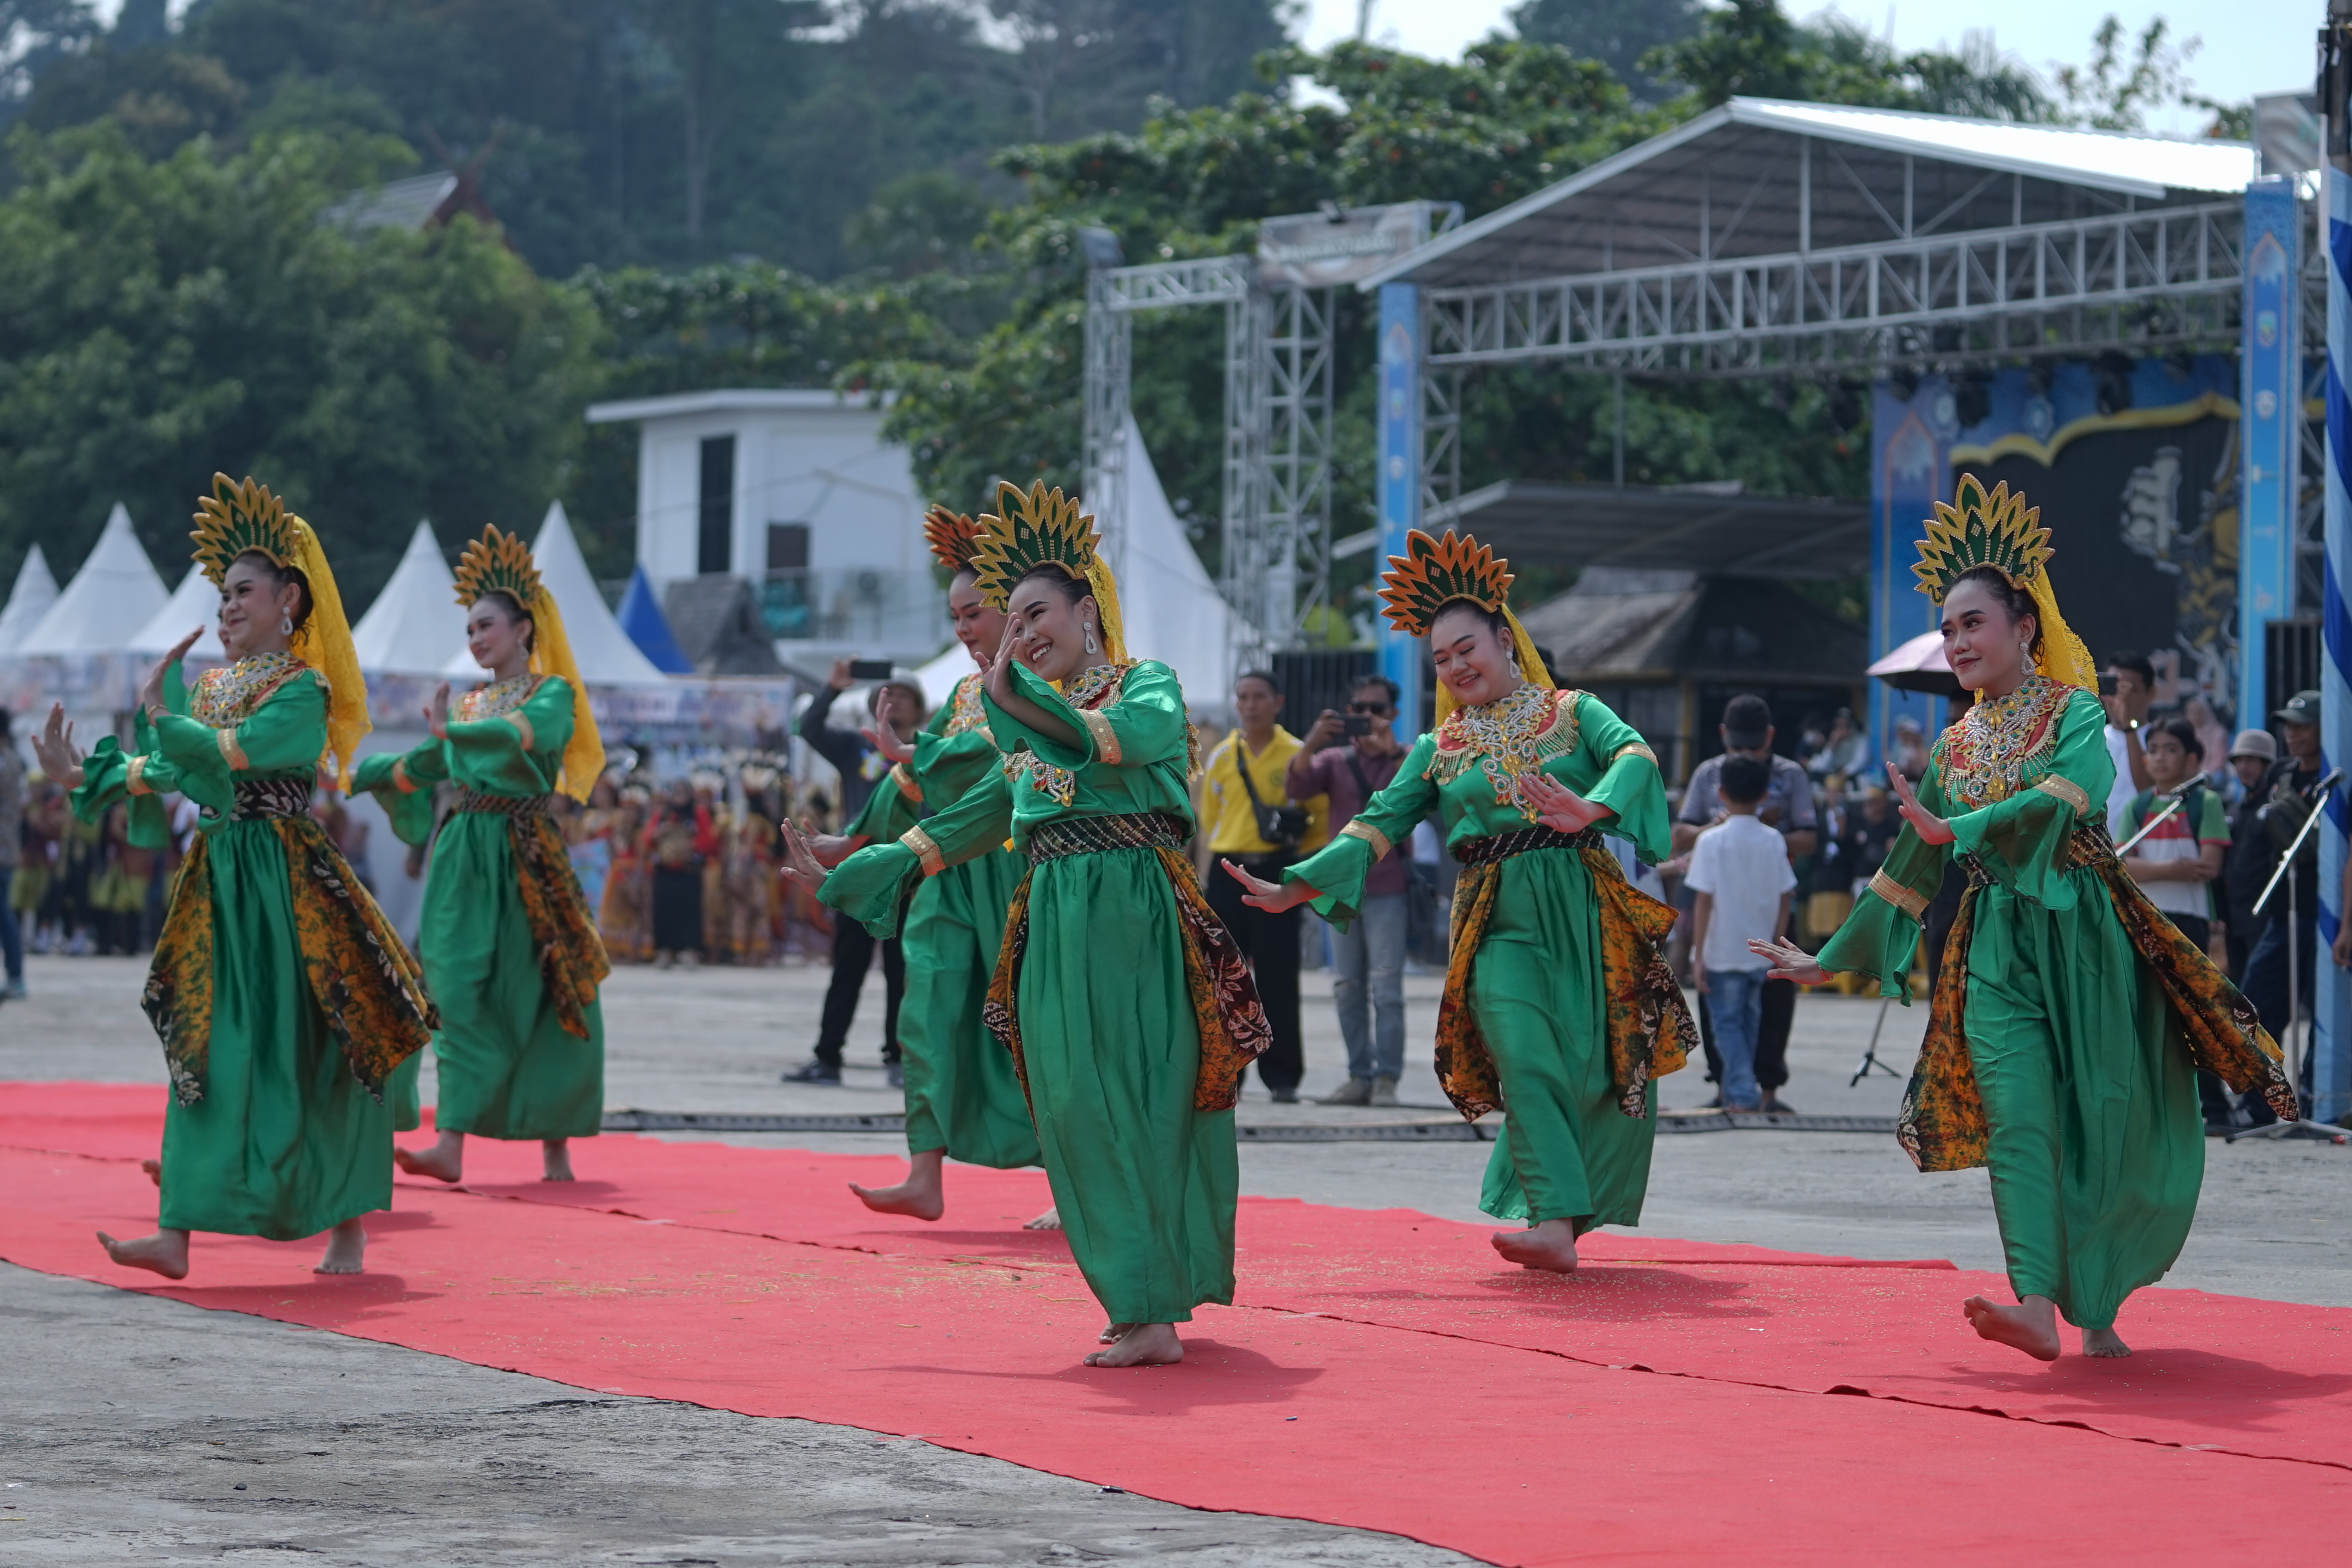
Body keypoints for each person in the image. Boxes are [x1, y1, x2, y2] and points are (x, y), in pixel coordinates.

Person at [1756, 475, 2294, 1362]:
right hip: (1996, 942)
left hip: (2085, 934)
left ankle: (2099, 1300)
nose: (1957, 641)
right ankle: (2037, 1302)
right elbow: (1907, 871)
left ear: (2024, 627)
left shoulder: (2076, 712)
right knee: (2018, 1117)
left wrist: (1959, 824)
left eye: (1973, 623)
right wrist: (1831, 958)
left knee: (2097, 1120)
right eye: (1949, 628)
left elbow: (2068, 796)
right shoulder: (1955, 745)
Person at [792, 481, 1269, 1368]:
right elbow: (970, 818)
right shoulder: (1016, 717)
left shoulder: (1144, 685)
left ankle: (1153, 1301)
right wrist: (862, 860)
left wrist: (1011, 691)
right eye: (1007, 621)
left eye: (1036, 613)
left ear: (1086, 610)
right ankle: (1140, 1300)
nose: (1020, 633)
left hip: (1137, 912)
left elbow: (1106, 740)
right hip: (1050, 916)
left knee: (1152, 1098)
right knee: (1072, 1103)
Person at [1229, 528, 1688, 1276]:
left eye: (1466, 647)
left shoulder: (1575, 711)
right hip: (1493, 916)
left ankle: (1567, 1210)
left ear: (1505, 640)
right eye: (1440, 658)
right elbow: (1377, 823)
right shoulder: (1439, 747)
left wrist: (1594, 807)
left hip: (1584, 907)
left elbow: (1636, 753)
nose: (1456, 666)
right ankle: (1552, 1219)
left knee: (1593, 1063)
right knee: (1524, 1053)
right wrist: (1300, 885)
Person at [30, 474, 435, 1278]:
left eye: (243, 592)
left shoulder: (303, 689)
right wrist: (83, 778)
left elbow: (231, 757)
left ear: (290, 597)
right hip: (219, 881)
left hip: (288, 883)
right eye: (221, 599)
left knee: (319, 1043)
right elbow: (167, 769)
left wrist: (162, 718)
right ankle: (176, 1232)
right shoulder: (214, 688)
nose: (227, 610)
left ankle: (347, 1228)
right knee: (201, 1044)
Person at [795, 505, 1044, 1223]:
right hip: (943, 873)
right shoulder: (965, 692)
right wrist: (854, 840)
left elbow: (981, 760)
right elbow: (907, 784)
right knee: (925, 1010)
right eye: (956, 617)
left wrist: (917, 754)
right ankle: (924, 1171)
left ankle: (1069, 1174)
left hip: (1009, 871)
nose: (963, 629)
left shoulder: (1038, 682)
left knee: (1028, 1023)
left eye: (974, 613)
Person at [355, 524, 612, 1187]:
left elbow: (519, 740)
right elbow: (424, 763)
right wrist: (357, 773)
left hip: (528, 858)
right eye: (469, 629)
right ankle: (451, 1141)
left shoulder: (551, 693)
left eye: (487, 625)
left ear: (524, 628)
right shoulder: (465, 705)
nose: (475, 639)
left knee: (546, 987)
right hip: (464, 856)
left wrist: (454, 732)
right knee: (454, 986)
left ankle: (555, 1144)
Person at [1673, 694, 1815, 1114]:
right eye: (1738, 747)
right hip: (1726, 900)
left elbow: (1808, 838)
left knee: (1772, 1005)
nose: (1746, 755)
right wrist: (1733, 829)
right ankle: (1726, 1086)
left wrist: (1749, 832)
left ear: (1770, 738)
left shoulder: (1791, 776)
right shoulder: (1707, 774)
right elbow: (1681, 833)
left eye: (1754, 747)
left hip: (1767, 902)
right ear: (1723, 737)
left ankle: (1763, 1087)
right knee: (1721, 1007)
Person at [785, 662, 924, 1084]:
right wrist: (830, 688)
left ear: (919, 707)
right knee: (847, 967)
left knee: (904, 971)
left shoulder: (931, 752)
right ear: (872, 703)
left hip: (911, 875)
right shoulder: (857, 747)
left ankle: (898, 1059)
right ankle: (827, 1058)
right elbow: (807, 728)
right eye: (886, 693)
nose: (894, 699)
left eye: (903, 694)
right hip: (857, 874)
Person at [1199, 670, 1327, 1104]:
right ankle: (1227, 1073)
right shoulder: (1220, 756)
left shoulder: (1297, 754)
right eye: (1243, 697)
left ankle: (1283, 1076)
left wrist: (1300, 871)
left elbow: (1319, 819)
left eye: (1258, 697)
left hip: (1276, 872)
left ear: (1279, 702)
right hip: (1226, 872)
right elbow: (1208, 821)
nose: (1250, 705)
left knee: (1278, 976)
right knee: (1223, 980)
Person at [1286, 674, 1411, 1106]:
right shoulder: (1334, 760)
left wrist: (1392, 752)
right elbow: (1297, 788)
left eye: (1376, 709)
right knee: (1346, 986)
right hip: (1341, 888)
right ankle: (1359, 1076)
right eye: (1358, 708)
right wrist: (1311, 742)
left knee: (1387, 987)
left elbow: (1421, 796)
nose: (1366, 717)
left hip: (1389, 885)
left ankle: (1387, 1080)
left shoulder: (1408, 758)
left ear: (1393, 714)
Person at [1684, 755, 1796, 1113]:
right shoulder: (1774, 839)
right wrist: (1778, 946)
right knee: (1748, 1023)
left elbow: (1703, 901)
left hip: (1722, 950)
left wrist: (1698, 954)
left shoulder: (1711, 841)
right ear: (1765, 795)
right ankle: (1741, 1091)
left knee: (1727, 1026)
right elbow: (1784, 899)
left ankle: (1742, 1094)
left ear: (1720, 794)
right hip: (1760, 951)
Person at [2238, 690, 2329, 1116]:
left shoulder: (2335, 779)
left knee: (2323, 1014)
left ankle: (2314, 1100)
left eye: (2303, 725)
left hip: (2323, 912)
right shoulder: (2283, 775)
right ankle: (2261, 1105)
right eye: (2288, 726)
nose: (2293, 734)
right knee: (2254, 1003)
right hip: (2282, 911)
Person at [2118, 719, 2227, 959]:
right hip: (2145, 914)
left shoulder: (2206, 802)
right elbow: (2121, 867)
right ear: (2145, 761)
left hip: (2192, 917)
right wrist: (2176, 869)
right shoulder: (2137, 806)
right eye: (2153, 750)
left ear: (2190, 759)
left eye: (2170, 750)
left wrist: (2145, 869)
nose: (2160, 758)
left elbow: (2209, 866)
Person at [2218, 728, 2279, 980]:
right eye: (2239, 760)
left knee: (2259, 984)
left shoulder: (2276, 809)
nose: (2244, 767)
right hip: (2234, 917)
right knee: (2240, 988)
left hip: (2263, 915)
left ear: (2267, 764)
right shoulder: (2235, 807)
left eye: (2252, 760)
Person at [2101, 651, 2156, 837]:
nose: (2121, 697)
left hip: (2143, 852)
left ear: (2152, 693)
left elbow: (2149, 791)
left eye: (2130, 690)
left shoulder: (2162, 741)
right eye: (2114, 687)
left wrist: (2129, 726)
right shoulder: (2090, 737)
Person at [0, 708, 23, 999]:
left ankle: (16, 976)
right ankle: (15, 975)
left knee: (4, 915)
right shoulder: (13, 760)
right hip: (7, 850)